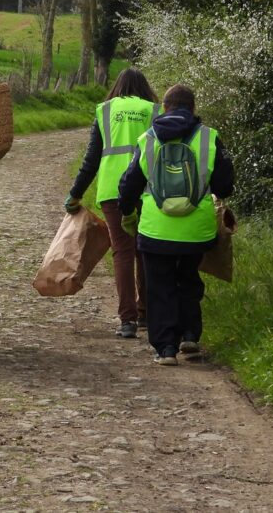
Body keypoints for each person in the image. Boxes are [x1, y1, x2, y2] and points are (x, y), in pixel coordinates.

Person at [117, 83, 234, 366]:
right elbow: (224, 186)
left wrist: (128, 213)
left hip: (155, 230)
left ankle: (166, 348)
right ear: (193, 108)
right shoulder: (209, 137)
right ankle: (190, 335)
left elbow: (129, 185)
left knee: (159, 286)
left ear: (164, 108)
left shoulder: (147, 139)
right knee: (189, 279)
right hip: (197, 230)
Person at [65, 68, 159, 339]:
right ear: (145, 87)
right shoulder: (154, 111)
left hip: (112, 190)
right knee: (144, 250)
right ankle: (145, 313)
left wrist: (75, 194)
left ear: (117, 86)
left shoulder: (105, 111)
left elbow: (91, 159)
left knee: (122, 251)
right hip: (147, 189)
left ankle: (127, 320)